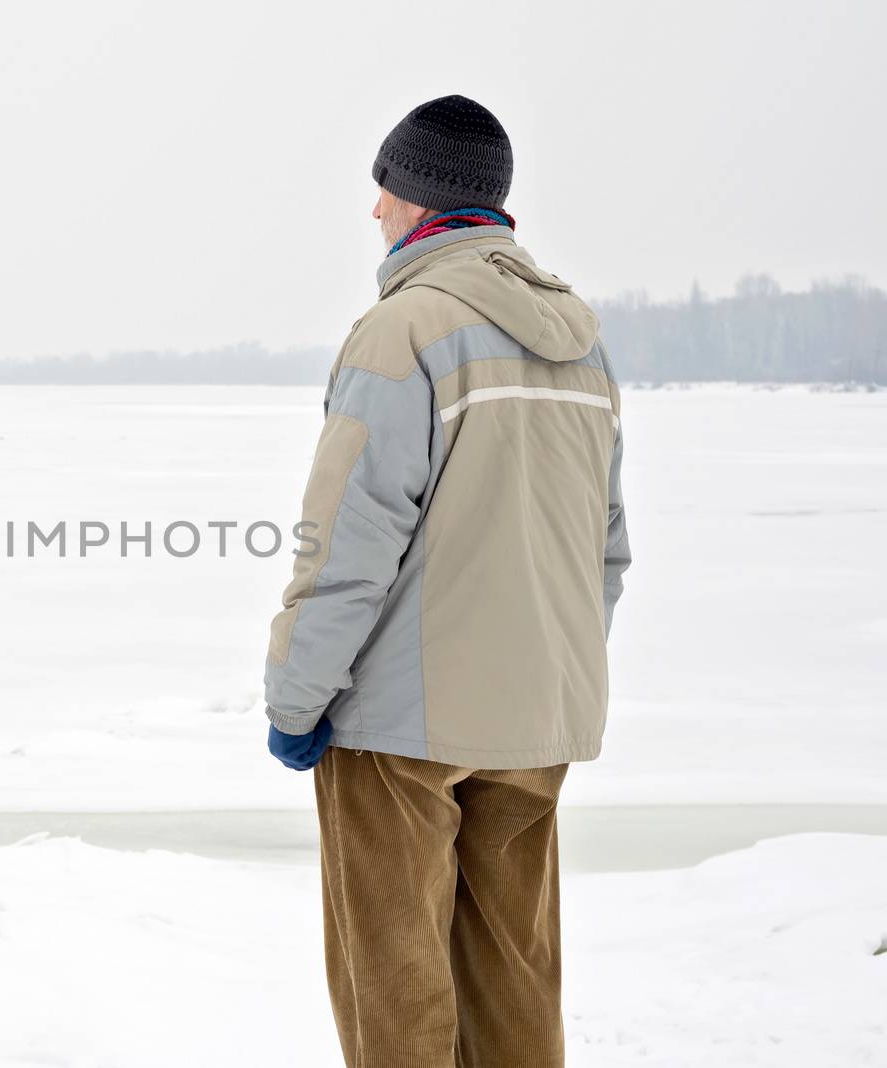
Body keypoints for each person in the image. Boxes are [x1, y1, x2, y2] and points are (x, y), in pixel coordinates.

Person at [262, 94, 631, 1067]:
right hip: (536, 717)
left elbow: (347, 540)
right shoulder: (580, 342)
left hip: (396, 729)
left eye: (382, 188)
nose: (373, 210)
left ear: (419, 199)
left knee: (395, 981)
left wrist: (298, 699)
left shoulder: (405, 329)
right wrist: (546, 671)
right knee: (514, 973)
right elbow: (605, 546)